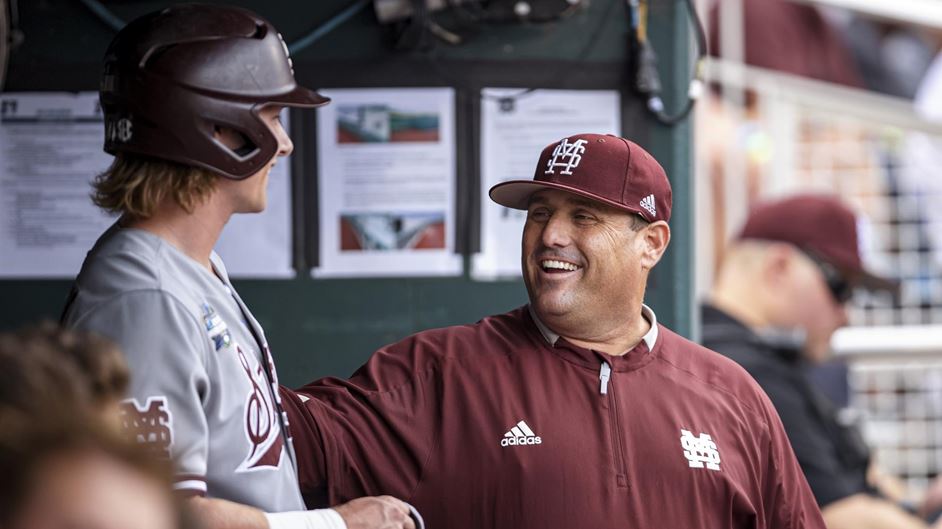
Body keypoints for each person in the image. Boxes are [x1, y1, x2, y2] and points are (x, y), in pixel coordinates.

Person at [280, 133, 827, 528]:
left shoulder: (730, 395)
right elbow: (269, 433)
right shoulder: (440, 374)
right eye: (540, 213)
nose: (551, 236)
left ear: (652, 244)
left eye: (583, 217)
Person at [61, 5, 414, 529]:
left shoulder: (185, 268)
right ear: (217, 130)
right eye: (272, 118)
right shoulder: (145, 296)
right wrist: (336, 525)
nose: (286, 144)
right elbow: (145, 514)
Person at [701, 194, 942, 528]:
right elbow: (836, 516)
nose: (846, 313)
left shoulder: (758, 360)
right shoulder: (744, 371)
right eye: (841, 288)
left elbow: (853, 483)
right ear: (779, 268)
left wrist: (918, 504)